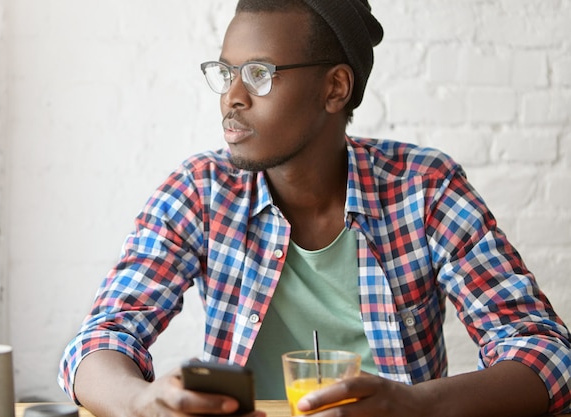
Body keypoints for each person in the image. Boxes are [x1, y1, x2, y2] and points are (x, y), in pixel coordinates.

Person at [58, 1, 571, 416]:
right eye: (226, 72)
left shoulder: (424, 189)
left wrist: (411, 406)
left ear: (334, 88)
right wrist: (139, 402)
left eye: (259, 73)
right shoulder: (200, 191)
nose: (232, 97)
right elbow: (101, 338)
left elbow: (548, 353)